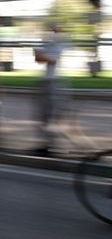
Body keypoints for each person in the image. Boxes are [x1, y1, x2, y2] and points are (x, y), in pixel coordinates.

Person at [33, 23, 69, 155]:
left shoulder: (60, 43)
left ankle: (54, 145)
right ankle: (47, 144)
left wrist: (41, 54)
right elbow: (38, 58)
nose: (53, 31)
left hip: (55, 83)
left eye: (56, 29)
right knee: (43, 115)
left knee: (52, 114)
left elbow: (47, 59)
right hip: (47, 81)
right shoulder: (49, 43)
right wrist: (40, 54)